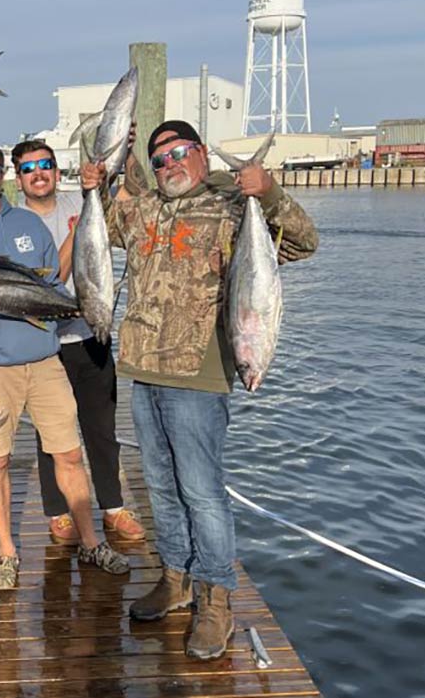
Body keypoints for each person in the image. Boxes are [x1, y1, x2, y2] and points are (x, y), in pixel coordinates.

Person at [81, 120, 318, 661]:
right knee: (161, 489)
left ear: (201, 153)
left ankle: (215, 600)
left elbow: (304, 244)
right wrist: (94, 179)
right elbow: (102, 226)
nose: (170, 165)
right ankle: (176, 577)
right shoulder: (141, 210)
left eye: (179, 153)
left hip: (199, 376)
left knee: (202, 493)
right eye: (160, 158)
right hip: (143, 370)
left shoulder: (232, 208)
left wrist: (270, 192)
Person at [0, 138, 129, 590]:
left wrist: (82, 303)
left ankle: (91, 540)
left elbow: (51, 284)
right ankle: (5, 553)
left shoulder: (29, 224)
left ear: (2, 174)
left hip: (44, 360)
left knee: (69, 453)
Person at [11, 139, 145, 545]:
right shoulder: (11, 222)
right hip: (43, 342)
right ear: (18, 178)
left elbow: (134, 196)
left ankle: (113, 506)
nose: (39, 173)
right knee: (50, 433)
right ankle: (57, 510)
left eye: (45, 165)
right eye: (29, 168)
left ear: (56, 169)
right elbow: (43, 281)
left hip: (91, 333)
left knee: (100, 429)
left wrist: (127, 153)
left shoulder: (82, 201)